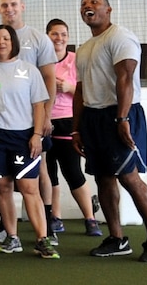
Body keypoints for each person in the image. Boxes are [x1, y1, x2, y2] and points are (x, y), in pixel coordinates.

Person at [75, 0, 147, 262]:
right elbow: (80, 90)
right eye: (84, 4)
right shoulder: (84, 47)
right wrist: (77, 129)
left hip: (120, 114)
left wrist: (122, 118)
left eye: (94, 2)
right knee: (103, 178)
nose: (88, 7)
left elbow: (126, 77)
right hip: (93, 118)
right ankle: (117, 239)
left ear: (109, 9)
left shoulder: (120, 37)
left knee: (129, 177)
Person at [0, 24, 55, 258]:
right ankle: (12, 237)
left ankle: (42, 239)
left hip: (23, 136)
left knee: (30, 187)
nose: (1, 42)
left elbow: (39, 105)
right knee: (3, 186)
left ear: (13, 41)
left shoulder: (29, 70)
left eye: (6, 38)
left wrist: (37, 135)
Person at [42, 19, 103, 239]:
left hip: (69, 121)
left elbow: (89, 88)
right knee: (49, 175)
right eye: (54, 34)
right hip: (46, 121)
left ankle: (90, 218)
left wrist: (68, 87)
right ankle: (55, 217)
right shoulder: (41, 62)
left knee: (73, 172)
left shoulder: (76, 60)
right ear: (47, 36)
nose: (59, 38)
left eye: (63, 34)